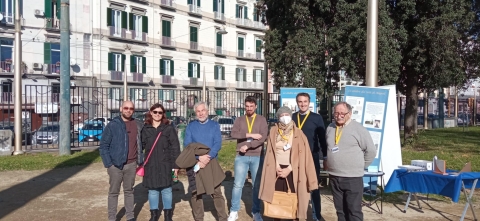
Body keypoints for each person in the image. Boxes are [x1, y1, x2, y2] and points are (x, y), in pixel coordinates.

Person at [259, 106, 318, 221]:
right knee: (277, 197)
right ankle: (277, 216)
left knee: (294, 199)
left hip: (294, 170)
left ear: (291, 116)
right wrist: (276, 166)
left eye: (287, 115)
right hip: (277, 169)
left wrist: (289, 168)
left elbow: (303, 156)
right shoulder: (273, 131)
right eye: (282, 115)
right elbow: (271, 152)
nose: (284, 117)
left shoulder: (299, 133)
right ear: (278, 118)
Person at [325, 101, 376, 221]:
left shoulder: (359, 129)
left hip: (352, 178)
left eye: (342, 113)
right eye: (336, 113)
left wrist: (360, 166)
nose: (339, 115)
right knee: (340, 211)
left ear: (350, 113)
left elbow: (371, 151)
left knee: (354, 211)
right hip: (334, 176)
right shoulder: (330, 128)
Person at [99, 101, 144, 221]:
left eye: (131, 108)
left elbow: (143, 142)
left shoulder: (138, 124)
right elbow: (104, 145)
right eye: (126, 108)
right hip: (115, 165)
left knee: (129, 191)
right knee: (114, 192)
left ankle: (130, 216)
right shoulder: (113, 125)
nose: (128, 110)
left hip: (131, 164)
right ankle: (112, 217)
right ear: (121, 109)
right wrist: (109, 164)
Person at [183, 101, 228, 221]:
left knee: (217, 192)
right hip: (195, 163)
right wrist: (198, 158)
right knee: (196, 193)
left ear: (207, 111)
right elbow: (187, 145)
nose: (201, 113)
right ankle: (199, 218)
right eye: (198, 111)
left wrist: (208, 157)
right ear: (195, 113)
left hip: (211, 162)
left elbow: (217, 143)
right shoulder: (191, 126)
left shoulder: (214, 125)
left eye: (203, 110)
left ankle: (223, 218)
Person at [228, 96, 268, 221]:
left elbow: (263, 138)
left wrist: (248, 145)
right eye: (247, 106)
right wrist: (250, 135)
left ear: (256, 106)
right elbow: (233, 133)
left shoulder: (261, 120)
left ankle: (256, 212)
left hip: (257, 156)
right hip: (241, 156)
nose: (249, 109)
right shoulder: (239, 120)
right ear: (244, 107)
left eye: (251, 106)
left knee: (256, 185)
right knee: (237, 185)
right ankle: (234, 211)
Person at [141, 103, 181, 221]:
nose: (157, 114)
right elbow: (140, 146)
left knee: (167, 189)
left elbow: (175, 147)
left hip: (167, 164)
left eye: (160, 112)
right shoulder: (145, 129)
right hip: (151, 164)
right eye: (155, 112)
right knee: (153, 190)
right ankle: (154, 215)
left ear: (163, 114)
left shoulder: (168, 128)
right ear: (151, 113)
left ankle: (168, 216)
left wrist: (176, 166)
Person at [292, 93, 327, 221]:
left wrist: (326, 156)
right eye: (300, 102)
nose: (303, 104)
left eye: (305, 101)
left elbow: (322, 139)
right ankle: (296, 213)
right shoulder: (292, 117)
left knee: (314, 186)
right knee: (296, 185)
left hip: (312, 157)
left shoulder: (316, 118)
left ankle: (316, 215)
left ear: (309, 102)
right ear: (297, 103)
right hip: (295, 158)